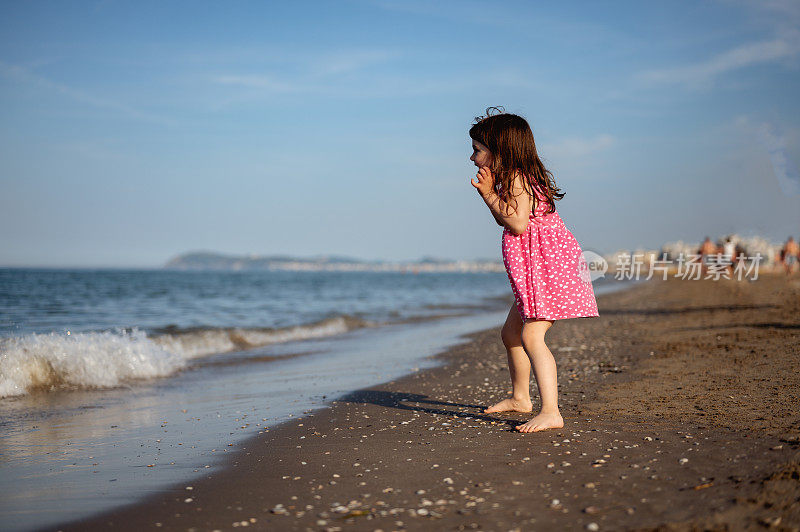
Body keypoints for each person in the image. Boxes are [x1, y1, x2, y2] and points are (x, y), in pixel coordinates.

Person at [469, 107, 599, 433]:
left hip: (545, 270)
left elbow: (515, 222)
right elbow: (507, 216)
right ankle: (520, 398)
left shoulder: (516, 178)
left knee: (530, 335)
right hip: (535, 273)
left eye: (477, 150)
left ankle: (551, 410)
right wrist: (491, 195)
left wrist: (487, 193)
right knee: (511, 334)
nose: (473, 158)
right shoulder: (513, 179)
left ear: (500, 151)